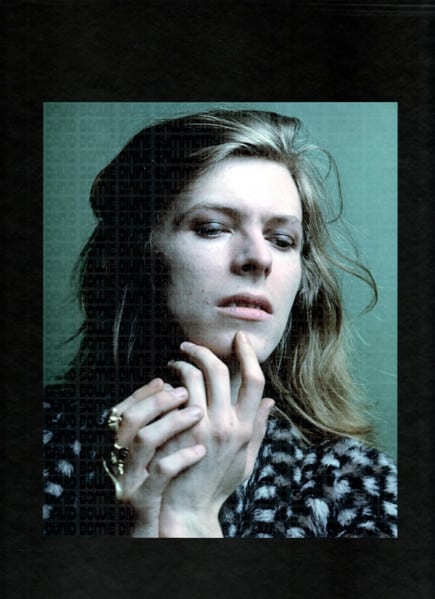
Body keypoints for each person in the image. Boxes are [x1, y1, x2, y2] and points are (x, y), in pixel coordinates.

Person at [43, 109, 397, 537]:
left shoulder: (356, 486)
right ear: (137, 253)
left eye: (282, 240)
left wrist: (191, 519)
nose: (259, 258)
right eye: (212, 228)